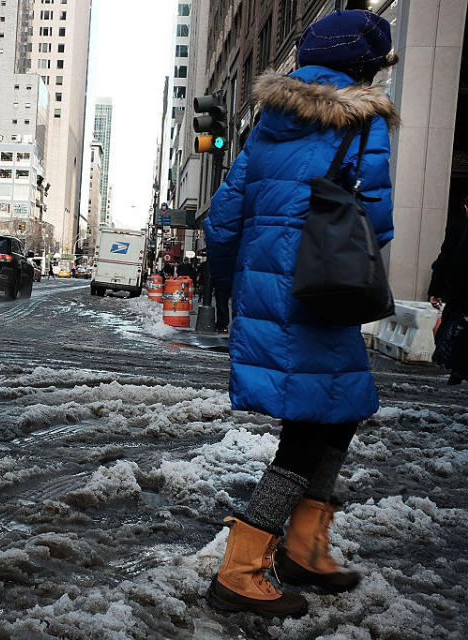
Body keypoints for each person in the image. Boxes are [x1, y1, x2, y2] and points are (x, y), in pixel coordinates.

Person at [203, 9, 398, 617]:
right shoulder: (362, 119)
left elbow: (223, 218)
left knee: (338, 413)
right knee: (310, 430)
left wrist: (237, 289)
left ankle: (306, 549)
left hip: (269, 291)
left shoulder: (268, 121)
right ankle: (242, 566)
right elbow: (376, 221)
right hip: (322, 291)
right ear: (364, 67)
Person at [428, 194, 468, 385]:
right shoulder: (459, 227)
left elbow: (446, 260)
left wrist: (436, 290)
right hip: (459, 295)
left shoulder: (458, 227)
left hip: (460, 295)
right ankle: (458, 368)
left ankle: (457, 368)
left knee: (454, 332)